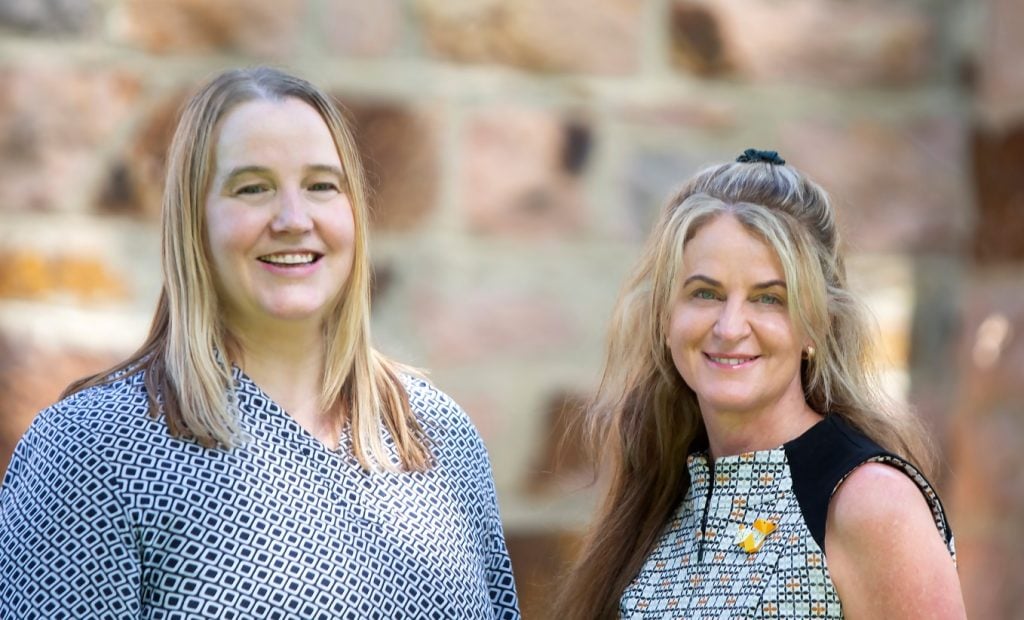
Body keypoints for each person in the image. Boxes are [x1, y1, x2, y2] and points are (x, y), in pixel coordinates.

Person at [0, 67, 520, 619]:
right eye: (253, 188)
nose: (294, 220)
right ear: (193, 223)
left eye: (322, 185)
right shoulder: (91, 450)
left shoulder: (441, 438)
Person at [555, 150, 965, 619]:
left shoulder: (870, 502)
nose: (730, 327)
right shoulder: (661, 496)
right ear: (666, 317)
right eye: (705, 293)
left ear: (816, 325)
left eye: (769, 298)